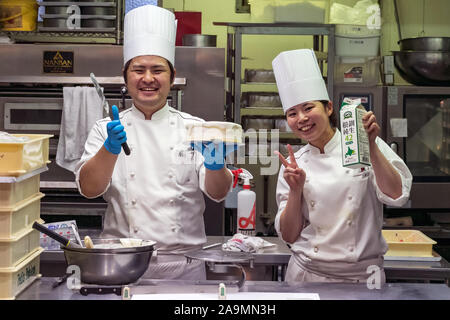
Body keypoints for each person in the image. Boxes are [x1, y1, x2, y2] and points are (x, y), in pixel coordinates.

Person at [75, 3, 233, 280]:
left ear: (172, 78)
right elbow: (89, 189)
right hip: (122, 260)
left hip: (186, 265)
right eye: (139, 70)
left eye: (157, 70)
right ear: (126, 77)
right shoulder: (105, 129)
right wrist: (109, 150)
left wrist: (216, 165)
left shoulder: (196, 129)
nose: (148, 78)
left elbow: (218, 193)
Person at [272, 49, 412, 284]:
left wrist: (372, 147)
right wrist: (295, 190)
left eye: (308, 108)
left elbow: (397, 195)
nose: (302, 119)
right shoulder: (294, 164)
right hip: (307, 275)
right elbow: (289, 235)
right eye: (292, 113)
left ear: (328, 108)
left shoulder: (364, 142)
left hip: (362, 278)